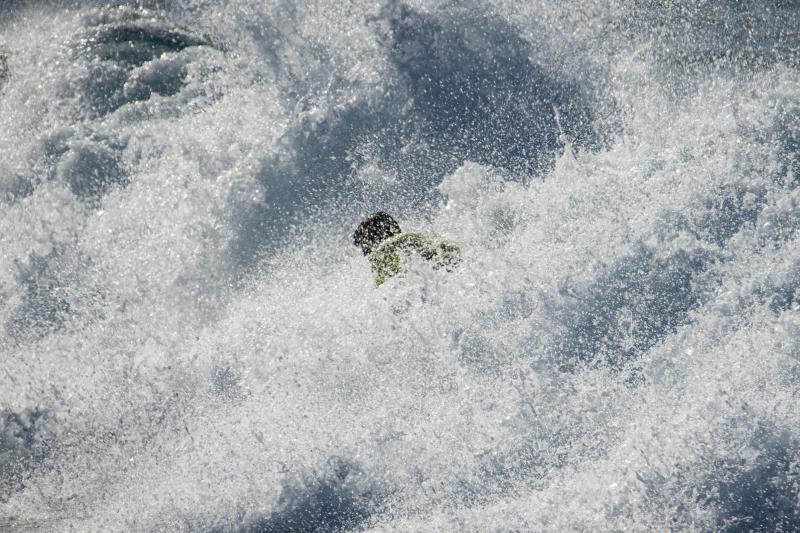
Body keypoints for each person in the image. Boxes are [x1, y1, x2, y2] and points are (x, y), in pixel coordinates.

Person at [353, 212, 460, 286]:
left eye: (365, 247)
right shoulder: (413, 238)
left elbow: (384, 292)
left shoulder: (382, 253)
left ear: (373, 239)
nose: (365, 254)